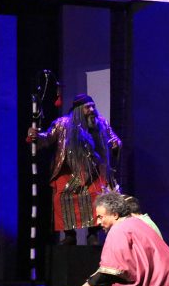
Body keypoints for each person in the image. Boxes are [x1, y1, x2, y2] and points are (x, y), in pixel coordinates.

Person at [26, 94, 120, 246]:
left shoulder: (101, 123)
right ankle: (69, 235)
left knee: (96, 195)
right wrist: (36, 136)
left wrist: (116, 144)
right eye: (87, 107)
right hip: (69, 171)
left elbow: (113, 139)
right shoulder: (63, 124)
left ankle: (93, 234)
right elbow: (48, 138)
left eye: (93, 106)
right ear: (78, 110)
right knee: (61, 196)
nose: (92, 110)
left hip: (94, 171)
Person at [79, 192, 169, 286]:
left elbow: (112, 269)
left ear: (115, 215)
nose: (98, 222)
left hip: (156, 281)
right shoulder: (136, 222)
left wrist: (90, 283)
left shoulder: (118, 229)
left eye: (100, 217)